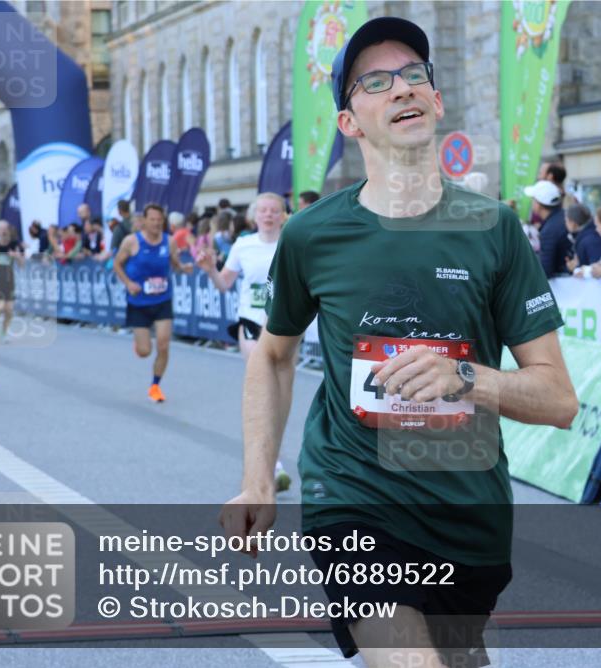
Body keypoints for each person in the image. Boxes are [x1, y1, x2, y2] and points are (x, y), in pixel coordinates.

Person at [218, 17, 577, 668]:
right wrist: (256, 482)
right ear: (349, 122)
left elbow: (558, 399)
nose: (402, 89)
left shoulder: (493, 229)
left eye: (415, 76)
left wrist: (466, 378)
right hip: (353, 498)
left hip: (468, 515)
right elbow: (273, 355)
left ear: (437, 100)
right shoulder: (312, 235)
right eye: (376, 82)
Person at [196, 192, 292, 492]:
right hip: (251, 321)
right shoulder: (243, 245)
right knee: (262, 384)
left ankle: (270, 457)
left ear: (283, 215)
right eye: (262, 210)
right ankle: (270, 466)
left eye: (274, 210)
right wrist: (211, 268)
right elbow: (225, 284)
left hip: (285, 325)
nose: (268, 215)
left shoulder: (292, 243)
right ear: (253, 216)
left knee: (280, 394)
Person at [112, 203, 194, 402]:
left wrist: (184, 268)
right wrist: (129, 283)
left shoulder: (170, 241)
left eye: (160, 220)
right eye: (153, 220)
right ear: (145, 221)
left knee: (164, 344)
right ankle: (139, 343)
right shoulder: (132, 242)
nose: (157, 223)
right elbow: (117, 264)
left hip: (162, 300)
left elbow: (174, 265)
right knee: (144, 352)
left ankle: (155, 386)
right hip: (138, 302)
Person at [0, 220, 24, 342]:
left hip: (10, 280)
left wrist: (16, 256)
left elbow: (22, 264)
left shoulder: (14, 245)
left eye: (5, 229)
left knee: (9, 310)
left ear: (9, 231)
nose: (3, 232)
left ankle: (3, 333)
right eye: (1, 230)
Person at [525, 179, 567, 277]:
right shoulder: (564, 216)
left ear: (538, 204)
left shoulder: (549, 230)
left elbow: (545, 269)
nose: (532, 203)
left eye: (533, 199)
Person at [563, 203, 601, 272]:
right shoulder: (587, 235)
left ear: (573, 223)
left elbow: (596, 269)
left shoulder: (589, 240)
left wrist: (576, 267)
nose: (565, 223)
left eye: (566, 220)